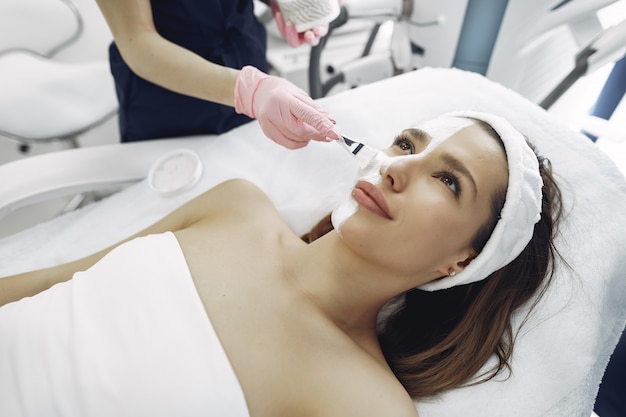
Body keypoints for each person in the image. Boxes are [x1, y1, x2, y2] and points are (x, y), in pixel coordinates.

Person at [0, 112, 563, 416]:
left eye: (447, 179)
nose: (398, 168)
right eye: (404, 144)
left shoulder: (363, 404)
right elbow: (52, 280)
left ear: (461, 260)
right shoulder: (236, 207)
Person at [96, 0, 340, 147]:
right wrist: (250, 91)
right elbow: (137, 41)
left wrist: (292, 5)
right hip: (168, 94)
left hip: (243, 53)